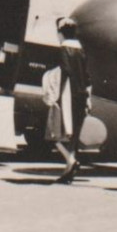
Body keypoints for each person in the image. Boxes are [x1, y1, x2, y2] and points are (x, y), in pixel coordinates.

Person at [41, 16, 90, 184]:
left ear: (61, 33)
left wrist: (53, 96)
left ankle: (71, 162)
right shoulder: (81, 51)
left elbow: (62, 73)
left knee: (55, 134)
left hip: (66, 95)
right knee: (73, 136)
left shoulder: (63, 49)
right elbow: (88, 76)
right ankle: (68, 174)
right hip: (82, 95)